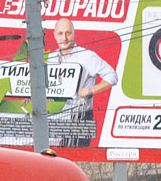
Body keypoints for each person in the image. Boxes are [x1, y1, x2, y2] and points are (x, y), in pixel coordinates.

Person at [47, 17, 118, 147]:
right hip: (56, 118)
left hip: (80, 117)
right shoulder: (50, 58)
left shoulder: (87, 56)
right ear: (55, 36)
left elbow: (112, 76)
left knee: (75, 158)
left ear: (74, 33)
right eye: (60, 33)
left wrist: (92, 90)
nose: (64, 38)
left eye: (68, 33)